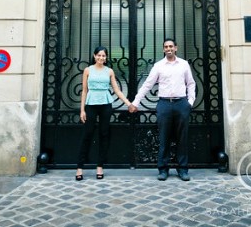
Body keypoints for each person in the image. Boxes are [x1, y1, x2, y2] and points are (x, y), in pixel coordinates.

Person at [129, 37, 196, 181]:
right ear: (163, 49)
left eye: (171, 46)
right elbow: (147, 84)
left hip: (181, 104)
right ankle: (163, 169)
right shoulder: (158, 66)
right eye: (166, 47)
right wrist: (136, 101)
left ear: (176, 48)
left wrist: (190, 102)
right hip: (164, 104)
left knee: (182, 138)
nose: (169, 49)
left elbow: (191, 83)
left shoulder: (183, 64)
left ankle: (183, 169)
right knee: (163, 138)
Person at [76, 45, 133, 181]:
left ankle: (100, 166)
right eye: (99, 55)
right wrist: (82, 110)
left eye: (103, 56)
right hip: (91, 104)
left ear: (106, 58)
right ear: (94, 56)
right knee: (87, 134)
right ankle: (79, 167)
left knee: (104, 134)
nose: (101, 58)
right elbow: (84, 90)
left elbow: (117, 90)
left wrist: (129, 104)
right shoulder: (87, 70)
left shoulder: (109, 71)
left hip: (105, 104)